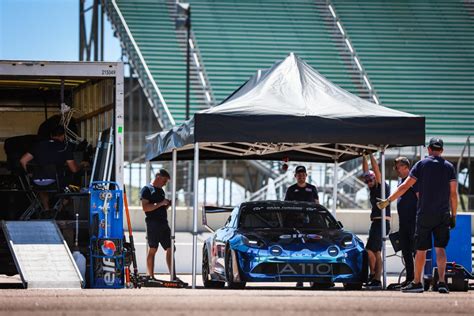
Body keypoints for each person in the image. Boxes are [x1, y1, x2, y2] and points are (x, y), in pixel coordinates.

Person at [377, 138, 457, 294]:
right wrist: (453, 215)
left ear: (428, 149)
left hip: (424, 213)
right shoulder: (449, 167)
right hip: (442, 213)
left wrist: (388, 201)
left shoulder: (421, 165)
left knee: (421, 250)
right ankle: (441, 283)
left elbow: (405, 186)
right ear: (441, 150)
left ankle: (417, 283)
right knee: (440, 249)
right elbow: (453, 194)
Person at [19, 125, 81, 209]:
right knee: (76, 183)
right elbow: (73, 169)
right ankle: (58, 210)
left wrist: (30, 174)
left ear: (51, 135)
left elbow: (23, 160)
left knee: (42, 186)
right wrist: (80, 166)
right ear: (63, 136)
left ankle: (47, 210)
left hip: (37, 182)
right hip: (56, 183)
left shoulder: (38, 145)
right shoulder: (65, 147)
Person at [284, 165, 319, 288]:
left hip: (311, 226)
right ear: (295, 176)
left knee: (313, 251)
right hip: (295, 225)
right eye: (299, 175)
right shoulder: (291, 190)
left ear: (306, 175)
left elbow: (317, 206)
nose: (301, 177)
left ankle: (314, 277)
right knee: (297, 252)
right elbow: (286, 207)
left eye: (303, 174)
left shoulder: (312, 188)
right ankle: (299, 278)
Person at [140, 169, 175, 280]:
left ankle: (173, 276)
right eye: (164, 180)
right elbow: (145, 207)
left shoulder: (161, 191)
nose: (165, 183)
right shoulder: (147, 189)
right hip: (153, 224)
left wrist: (167, 204)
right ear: (158, 177)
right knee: (153, 249)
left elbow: (161, 207)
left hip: (164, 223)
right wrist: (161, 203)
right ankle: (151, 276)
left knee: (170, 248)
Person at [362, 153, 391, 289]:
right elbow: (366, 172)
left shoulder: (381, 186)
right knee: (372, 250)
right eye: (366, 181)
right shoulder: (373, 189)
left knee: (373, 250)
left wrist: (371, 155)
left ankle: (376, 277)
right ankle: (373, 276)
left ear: (376, 179)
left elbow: (376, 170)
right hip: (376, 223)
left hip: (381, 222)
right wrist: (363, 156)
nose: (368, 182)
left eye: (370, 180)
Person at [393, 157, 418, 287]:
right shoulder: (401, 181)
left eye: (397, 167)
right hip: (403, 223)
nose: (396, 170)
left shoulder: (413, 180)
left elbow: (420, 198)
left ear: (405, 167)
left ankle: (418, 280)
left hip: (413, 222)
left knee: (415, 251)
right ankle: (409, 279)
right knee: (406, 251)